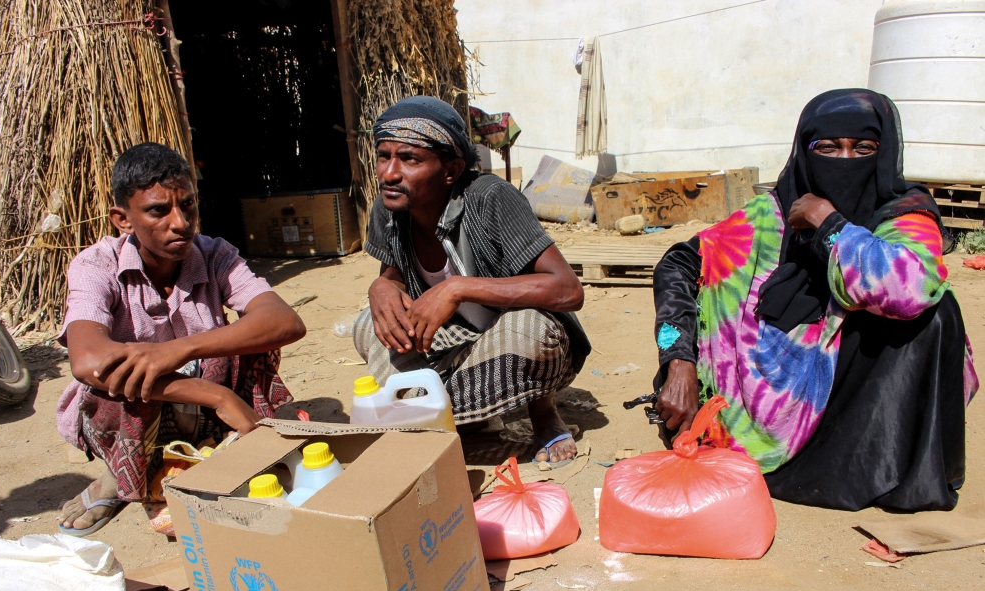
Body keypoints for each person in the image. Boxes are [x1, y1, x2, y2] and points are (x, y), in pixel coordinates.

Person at [651, 89, 978, 511]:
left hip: (854, 385)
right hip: (761, 393)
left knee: (937, 315)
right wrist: (678, 360)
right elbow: (678, 263)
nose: (844, 160)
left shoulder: (904, 213)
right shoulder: (771, 212)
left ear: (884, 152)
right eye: (828, 147)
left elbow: (907, 289)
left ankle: (884, 470)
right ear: (806, 152)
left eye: (862, 148)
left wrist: (829, 222)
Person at [56, 142, 306, 534]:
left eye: (187, 205)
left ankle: (219, 457)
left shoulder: (215, 254)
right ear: (123, 220)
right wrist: (216, 396)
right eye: (158, 210)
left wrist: (177, 349)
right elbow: (87, 360)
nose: (180, 222)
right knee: (113, 379)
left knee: (254, 340)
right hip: (145, 407)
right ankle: (121, 478)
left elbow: (284, 321)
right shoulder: (96, 264)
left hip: (203, 408)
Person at [353, 96, 590, 466]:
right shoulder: (389, 207)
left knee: (531, 328)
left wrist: (456, 287)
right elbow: (394, 273)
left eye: (409, 159)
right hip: (450, 339)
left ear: (451, 170)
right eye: (384, 156)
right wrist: (381, 285)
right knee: (369, 324)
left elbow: (567, 288)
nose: (389, 173)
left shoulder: (490, 198)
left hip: (505, 332)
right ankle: (455, 415)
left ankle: (541, 413)